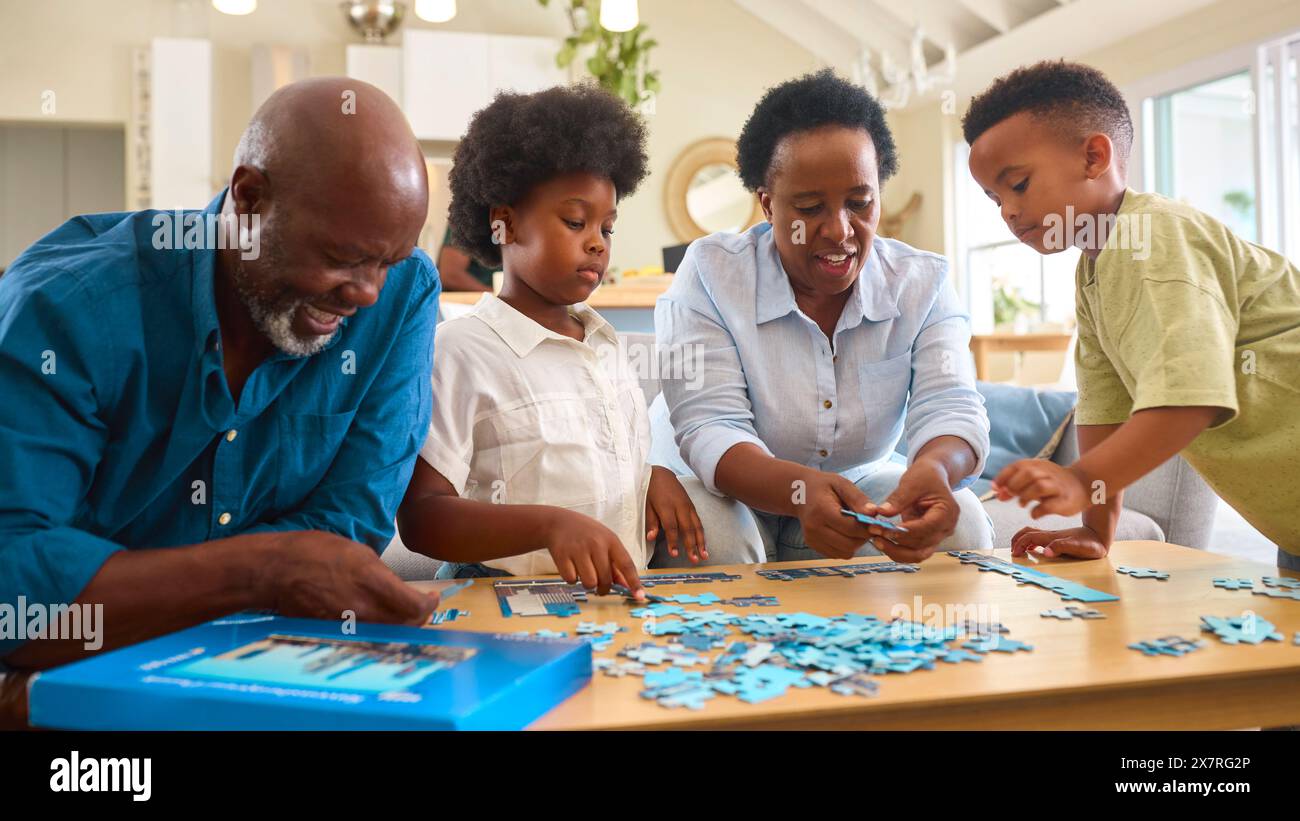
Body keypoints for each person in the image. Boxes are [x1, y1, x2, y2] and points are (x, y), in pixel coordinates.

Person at [0, 77, 441, 690]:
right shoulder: (71, 308)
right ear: (250, 198)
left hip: (260, 668)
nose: (367, 293)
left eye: (386, 262)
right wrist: (263, 571)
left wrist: (148, 588)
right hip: (75, 683)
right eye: (341, 258)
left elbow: (350, 526)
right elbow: (16, 592)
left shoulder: (404, 293)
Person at [397, 84, 765, 596]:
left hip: (615, 599)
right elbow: (422, 519)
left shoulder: (606, 347)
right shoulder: (459, 352)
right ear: (505, 224)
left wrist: (649, 476)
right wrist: (548, 526)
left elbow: (599, 462)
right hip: (500, 595)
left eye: (606, 228)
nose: (596, 242)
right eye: (575, 222)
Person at [963, 60, 1300, 569]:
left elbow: (1191, 397)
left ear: (1094, 157)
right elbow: (1102, 412)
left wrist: (1079, 480)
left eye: (1020, 185)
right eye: (994, 199)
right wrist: (1096, 528)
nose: (1007, 211)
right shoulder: (1093, 273)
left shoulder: (1155, 237)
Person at [655, 70, 993, 565]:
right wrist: (799, 491)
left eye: (860, 203)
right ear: (767, 205)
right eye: (810, 207)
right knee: (716, 547)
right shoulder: (711, 272)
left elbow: (951, 405)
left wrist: (936, 470)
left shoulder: (922, 283)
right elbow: (712, 425)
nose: (839, 230)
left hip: (853, 483)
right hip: (716, 486)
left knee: (962, 524)